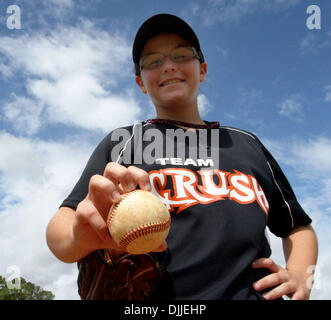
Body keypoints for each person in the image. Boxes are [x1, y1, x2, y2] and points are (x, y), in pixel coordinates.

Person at [46, 13, 318, 300]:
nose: (169, 66)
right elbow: (59, 230)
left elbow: (297, 226)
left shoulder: (247, 143)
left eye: (182, 55)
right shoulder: (124, 142)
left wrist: (301, 274)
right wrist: (78, 237)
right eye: (153, 61)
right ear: (141, 82)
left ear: (202, 70)